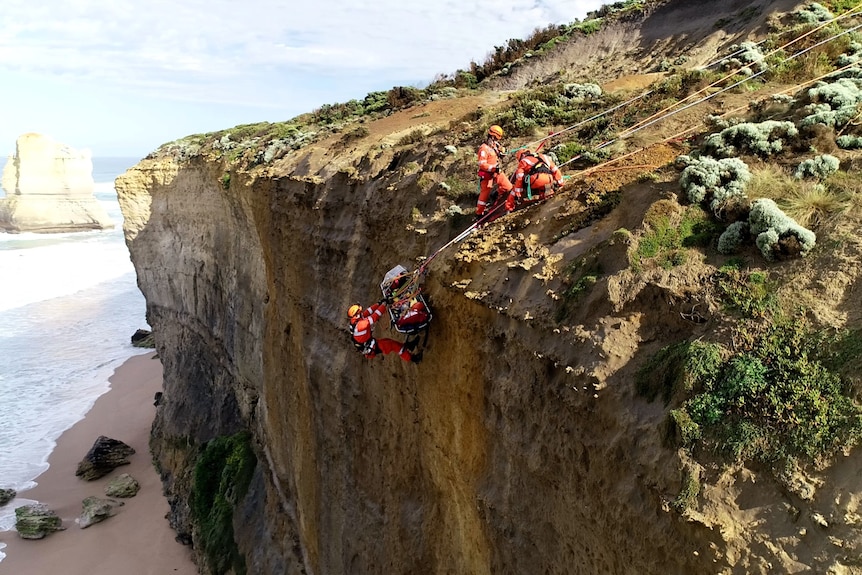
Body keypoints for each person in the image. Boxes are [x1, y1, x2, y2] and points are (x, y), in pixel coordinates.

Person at [348, 302, 422, 363]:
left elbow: (368, 311)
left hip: (369, 344)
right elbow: (375, 316)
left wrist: (378, 303)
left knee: (389, 342)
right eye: (360, 311)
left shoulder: (355, 321)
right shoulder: (360, 325)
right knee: (393, 345)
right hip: (371, 347)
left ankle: (409, 346)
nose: (362, 312)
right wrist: (383, 305)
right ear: (357, 314)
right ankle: (414, 358)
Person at [505, 148, 564, 213]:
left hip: (537, 180)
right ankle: (546, 195)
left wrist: (518, 193)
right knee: (544, 187)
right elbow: (555, 169)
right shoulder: (543, 156)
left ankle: (509, 206)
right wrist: (560, 183)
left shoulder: (523, 161)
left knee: (519, 186)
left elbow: (519, 177)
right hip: (549, 178)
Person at [476, 125, 514, 220]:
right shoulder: (483, 149)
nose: (497, 140)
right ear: (492, 136)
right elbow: (482, 164)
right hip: (488, 174)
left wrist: (503, 152)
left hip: (497, 172)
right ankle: (479, 213)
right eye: (496, 138)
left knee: (508, 187)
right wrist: (493, 168)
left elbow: (501, 152)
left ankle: (496, 194)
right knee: (484, 195)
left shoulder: (495, 146)